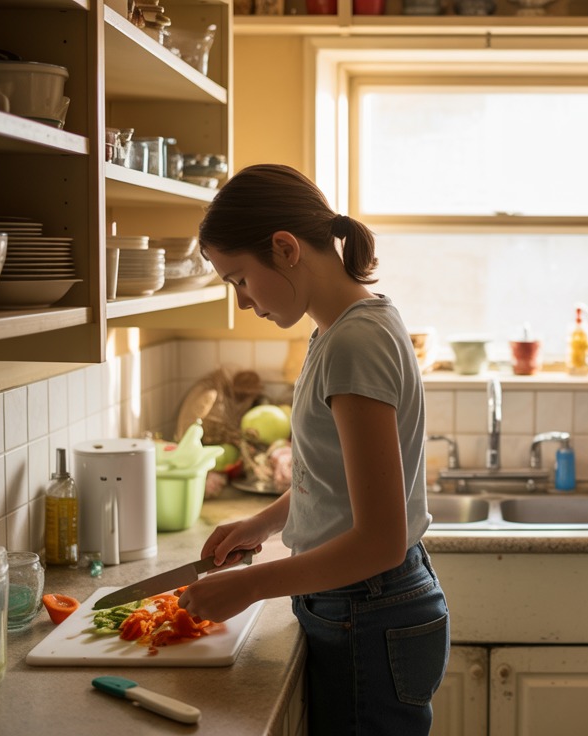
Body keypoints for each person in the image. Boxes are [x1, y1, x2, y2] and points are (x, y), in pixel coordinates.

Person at [176, 163, 449, 735]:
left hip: (368, 609)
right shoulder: (339, 329)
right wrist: (267, 521)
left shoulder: (354, 340)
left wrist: (250, 585)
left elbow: (379, 540)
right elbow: (336, 482)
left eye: (240, 279)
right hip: (362, 605)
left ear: (284, 248)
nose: (244, 302)